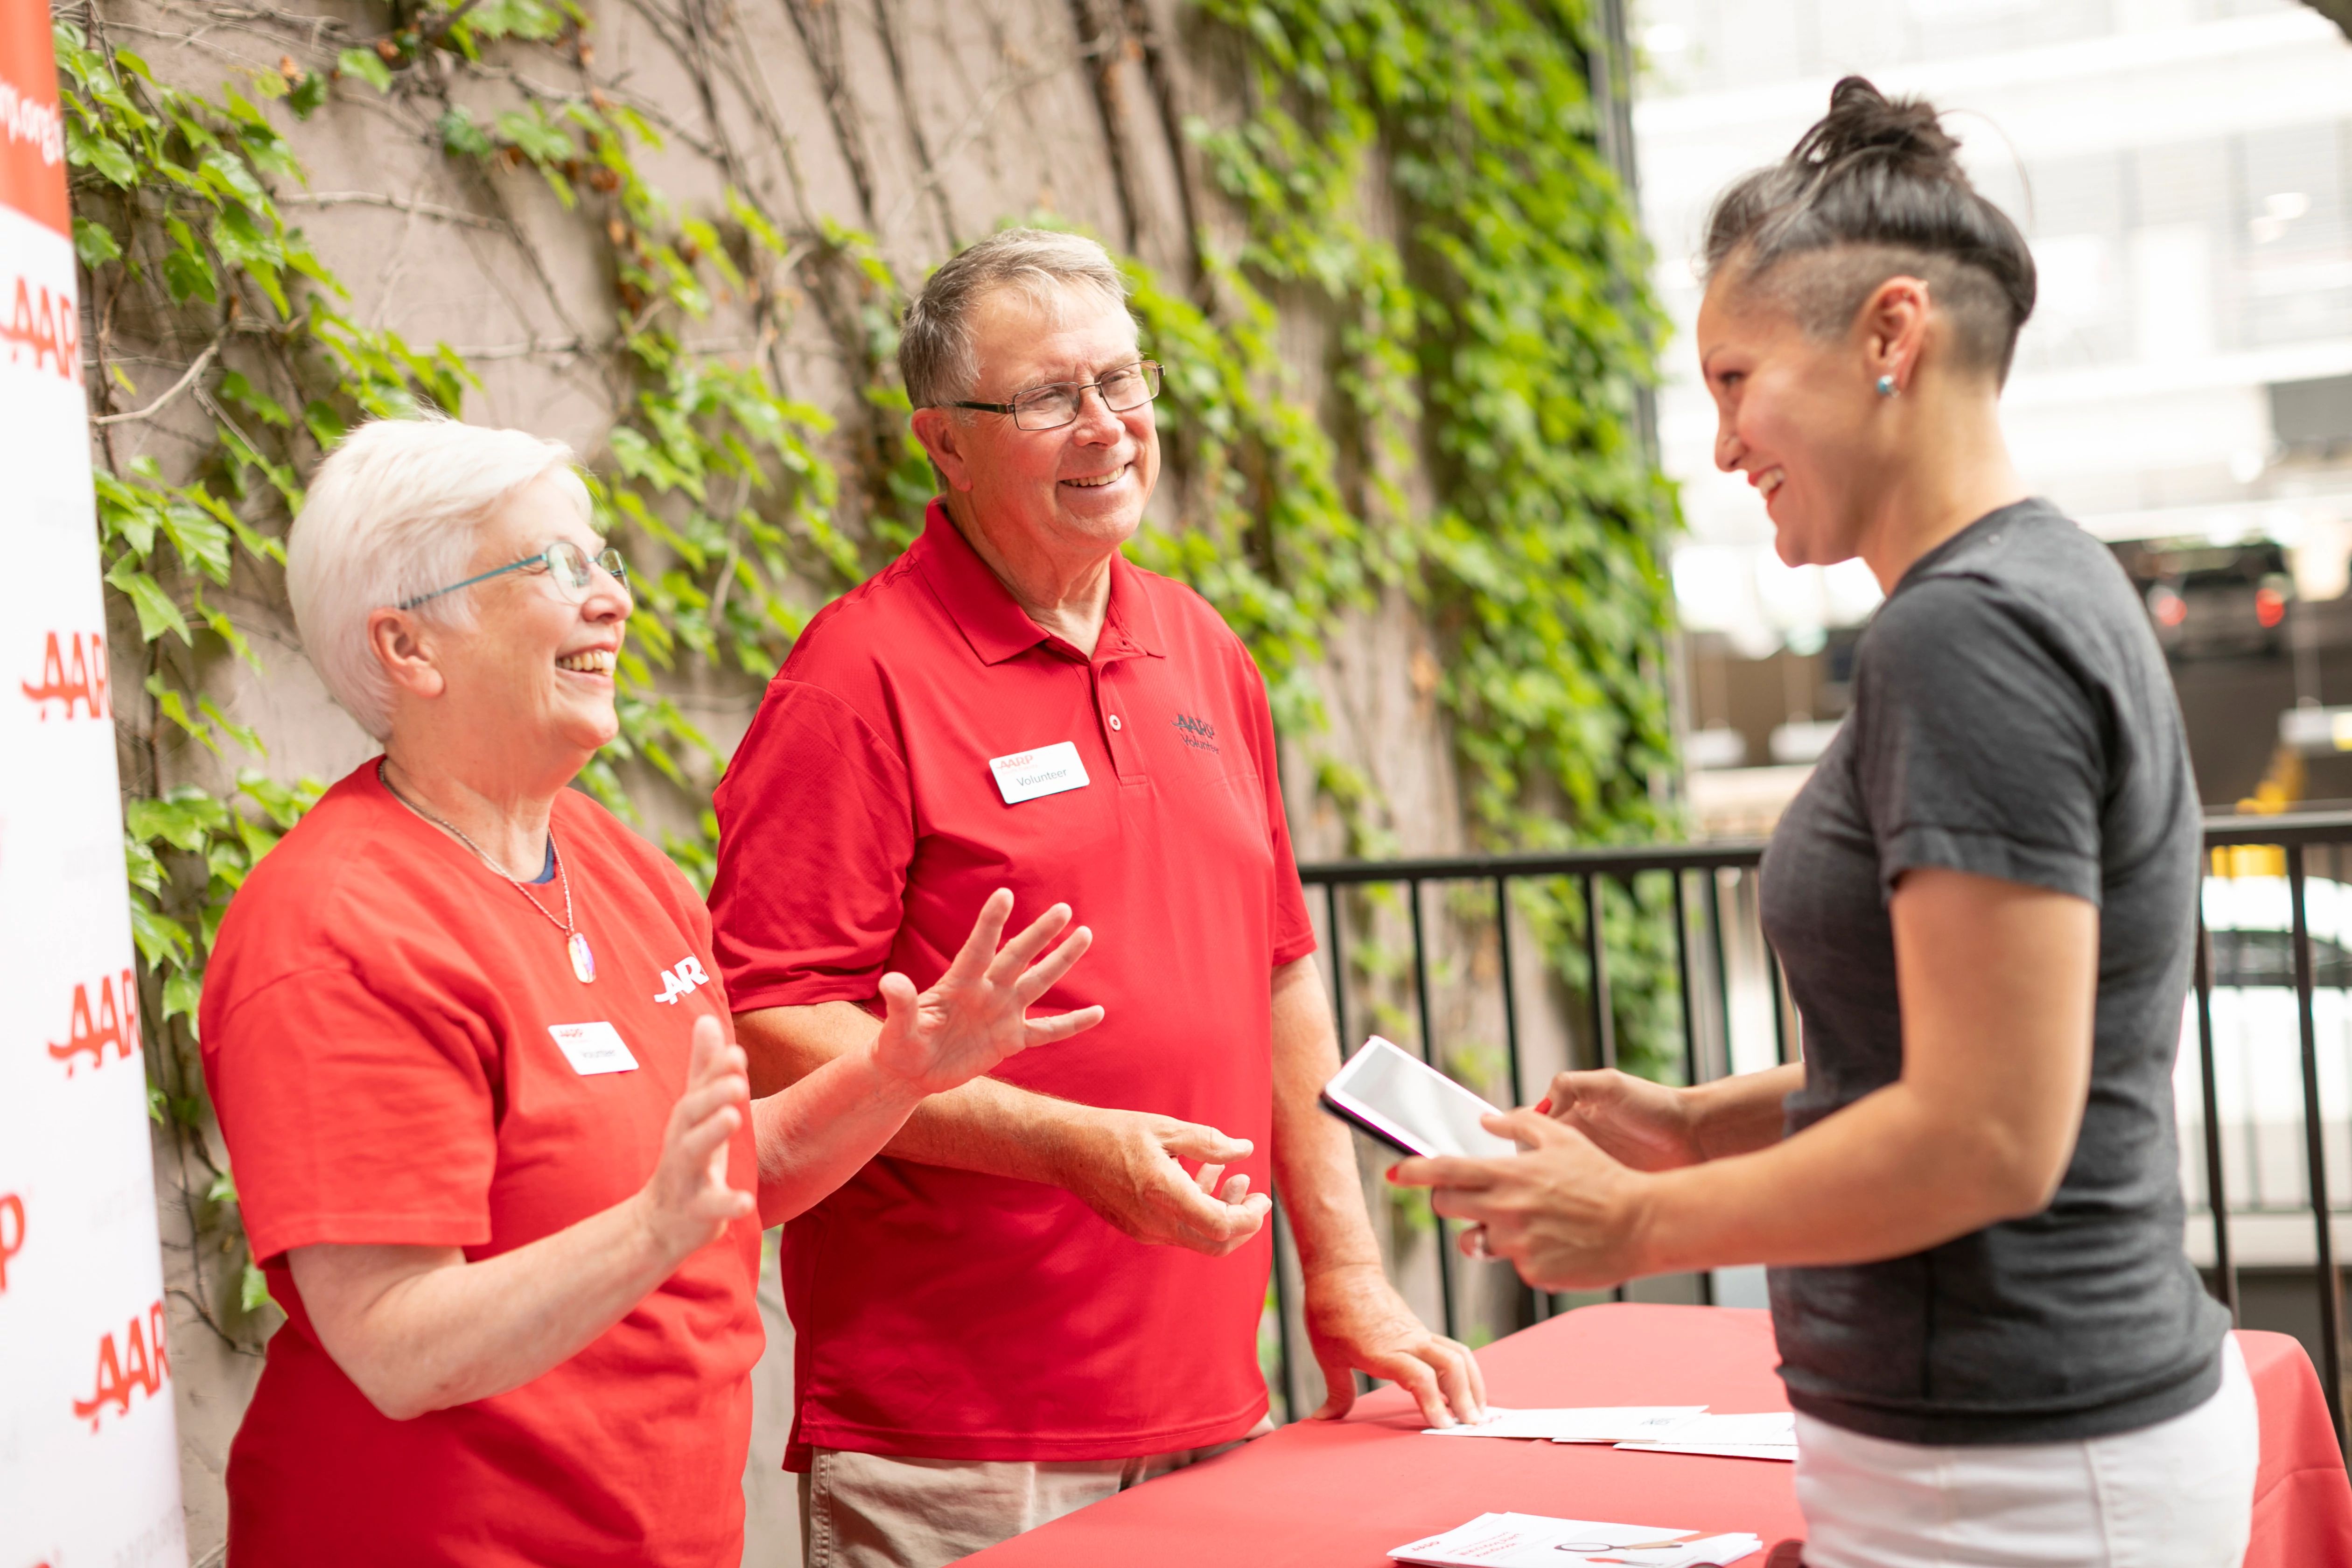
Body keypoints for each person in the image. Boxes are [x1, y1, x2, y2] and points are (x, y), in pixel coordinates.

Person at [1392, 79, 2255, 1568]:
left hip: (2024, 1465)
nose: (1722, 444)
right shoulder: (2036, 583)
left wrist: (1635, 1228)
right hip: (2016, 1444)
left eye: (1734, 379)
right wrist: (1692, 1123)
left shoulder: (1965, 636)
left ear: (1889, 336)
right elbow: (1966, 1048)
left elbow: (1991, 1131)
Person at [707, 228, 1486, 1568]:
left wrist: (1349, 1275)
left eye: (1124, 382)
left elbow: (1279, 974)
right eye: (1050, 398)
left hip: (1209, 1400)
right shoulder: (856, 681)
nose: (1107, 428)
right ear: (942, 444)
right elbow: (775, 1021)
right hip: (962, 1439)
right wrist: (1066, 1143)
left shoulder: (1200, 647)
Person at [198, 415, 1105, 1567]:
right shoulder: (335, 929)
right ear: (409, 649)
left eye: (602, 561)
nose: (611, 600)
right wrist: (647, 1234)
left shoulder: (611, 857)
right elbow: (393, 1343)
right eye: (553, 568)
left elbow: (733, 1177)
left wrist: (892, 1076)